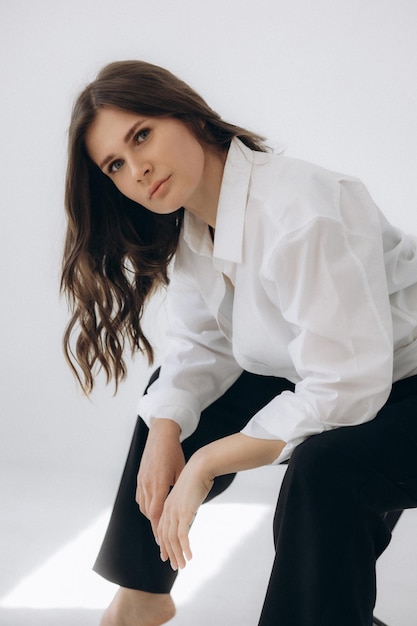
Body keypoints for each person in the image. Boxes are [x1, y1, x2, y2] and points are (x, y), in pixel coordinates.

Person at [61, 59, 417, 626]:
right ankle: (142, 595)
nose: (137, 169)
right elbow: (202, 347)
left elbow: (349, 388)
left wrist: (205, 462)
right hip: (347, 373)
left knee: (326, 468)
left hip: (399, 385)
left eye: (142, 135)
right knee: (173, 402)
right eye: (115, 164)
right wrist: (166, 431)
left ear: (188, 115)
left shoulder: (300, 211)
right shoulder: (196, 224)